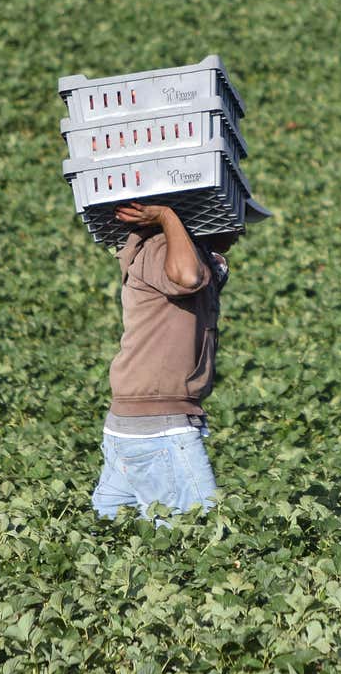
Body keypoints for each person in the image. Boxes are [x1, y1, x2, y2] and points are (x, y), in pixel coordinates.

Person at [90, 202, 234, 519]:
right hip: (158, 429)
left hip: (138, 425)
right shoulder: (161, 245)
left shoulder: (184, 249)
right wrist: (167, 215)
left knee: (118, 539)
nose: (241, 229)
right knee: (196, 534)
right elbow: (186, 278)